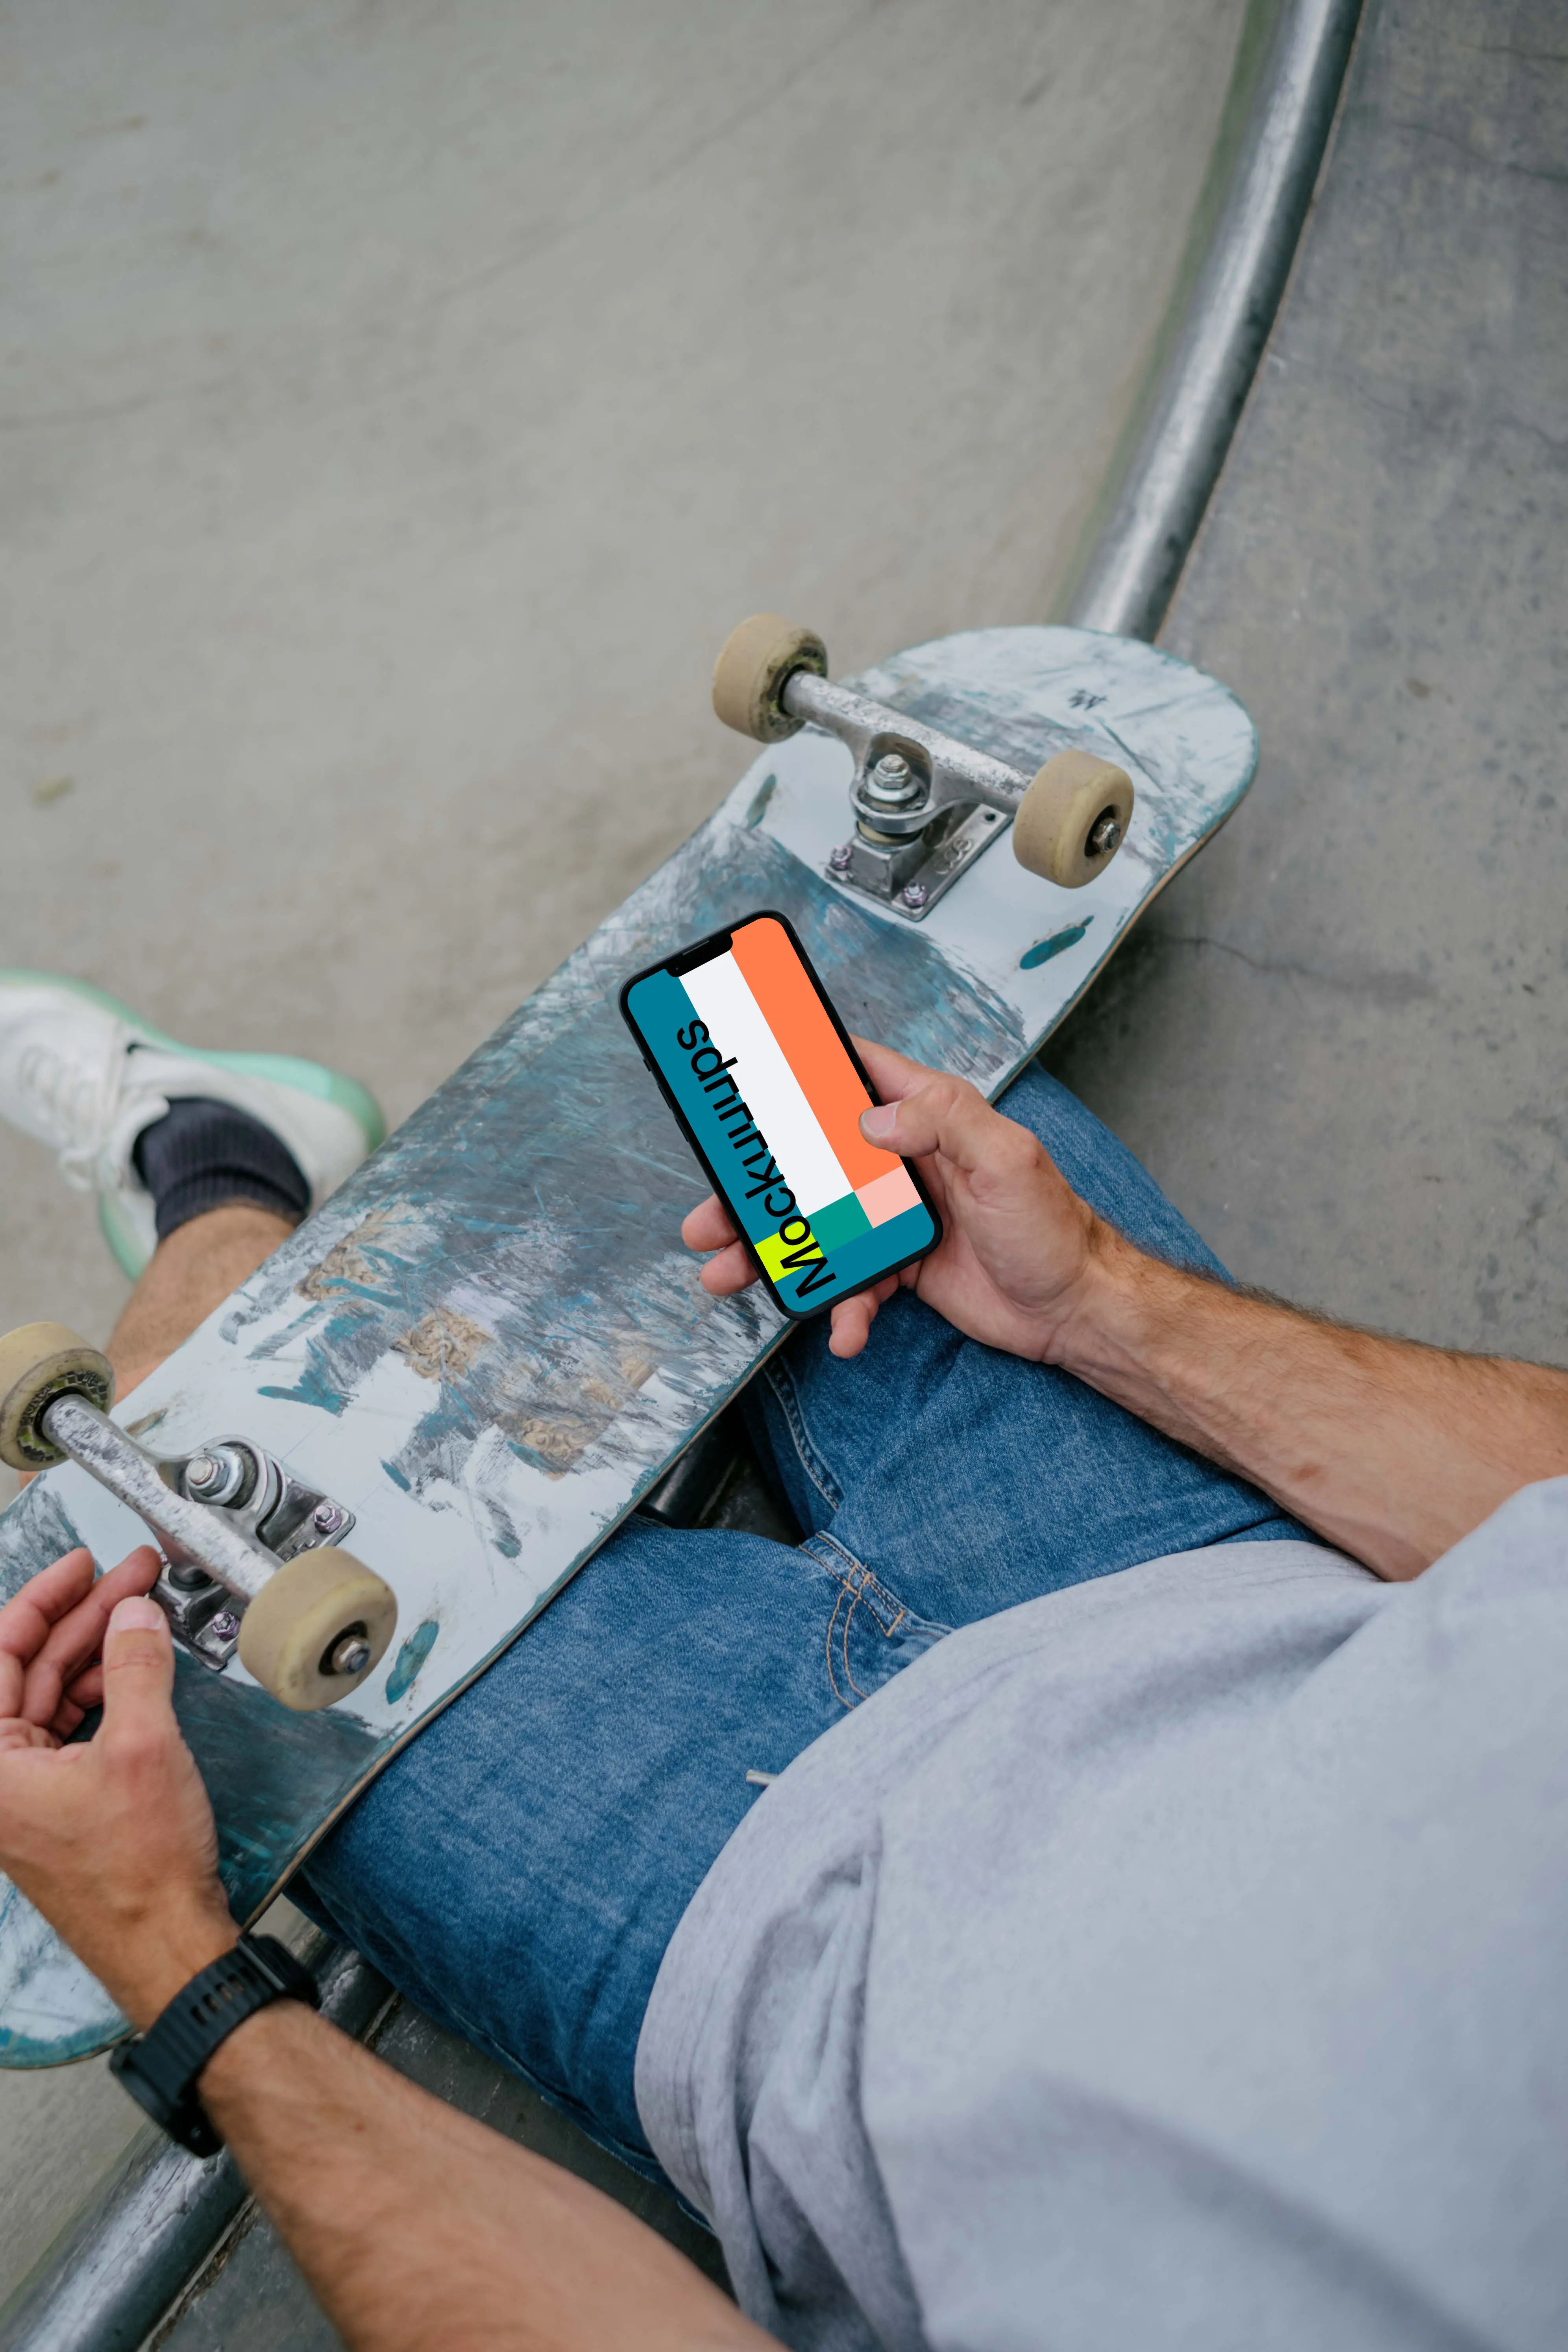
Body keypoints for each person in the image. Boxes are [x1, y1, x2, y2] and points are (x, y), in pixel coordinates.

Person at [1, 969, 1566, 2352]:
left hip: (765, 1930)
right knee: (769, 1067)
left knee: (186, 1471)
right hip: (1189, 1566)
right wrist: (1098, 1297)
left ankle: (216, 1162)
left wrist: (175, 1964)